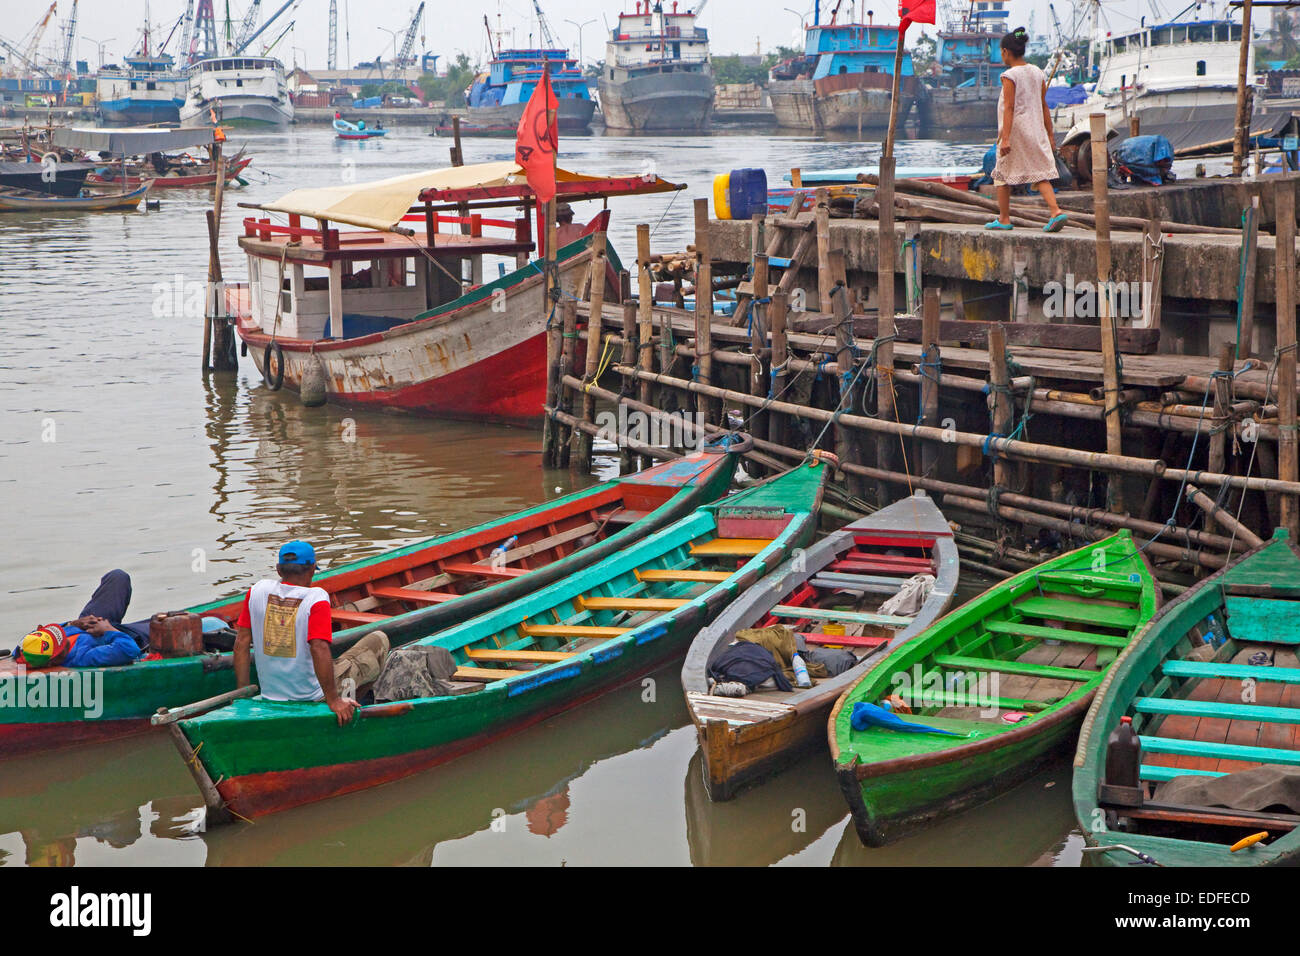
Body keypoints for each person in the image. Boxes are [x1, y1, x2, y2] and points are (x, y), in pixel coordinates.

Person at [233, 541, 390, 726]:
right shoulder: (316, 598)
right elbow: (318, 647)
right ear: (313, 569)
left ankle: (345, 702)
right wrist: (333, 701)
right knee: (379, 639)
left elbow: (241, 643)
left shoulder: (257, 591)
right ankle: (348, 710)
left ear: (278, 570)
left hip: (270, 695)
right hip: (313, 697)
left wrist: (243, 694)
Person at [986, 27, 1069, 233]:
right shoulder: (1037, 72)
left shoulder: (1009, 75)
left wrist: (1005, 138)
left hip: (1016, 131)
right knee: (1039, 172)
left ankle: (1004, 218)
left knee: (1002, 174)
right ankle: (1055, 210)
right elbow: (1043, 106)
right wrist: (1050, 134)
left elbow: (1009, 107)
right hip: (1035, 128)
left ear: (1006, 51)